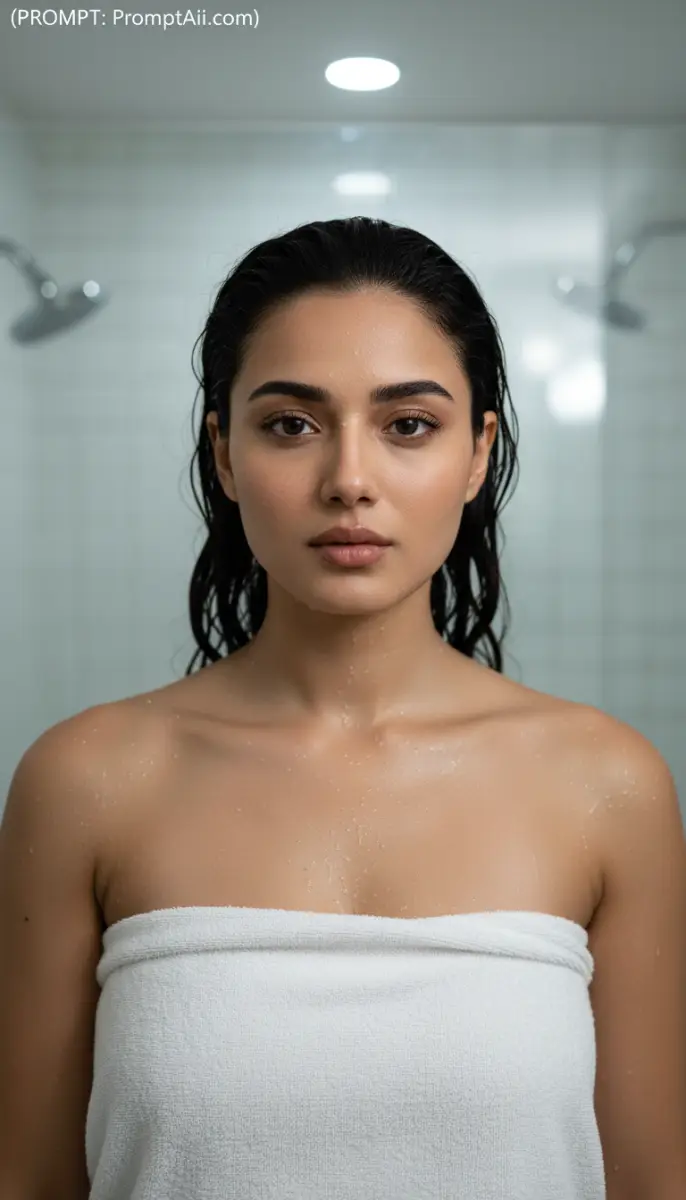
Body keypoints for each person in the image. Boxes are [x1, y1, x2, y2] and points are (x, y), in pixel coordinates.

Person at [2, 216, 686, 1199]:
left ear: (475, 453)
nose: (348, 481)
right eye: (290, 424)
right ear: (226, 455)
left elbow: (653, 1182)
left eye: (407, 424)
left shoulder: (606, 785)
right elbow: (25, 1177)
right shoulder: (86, 781)